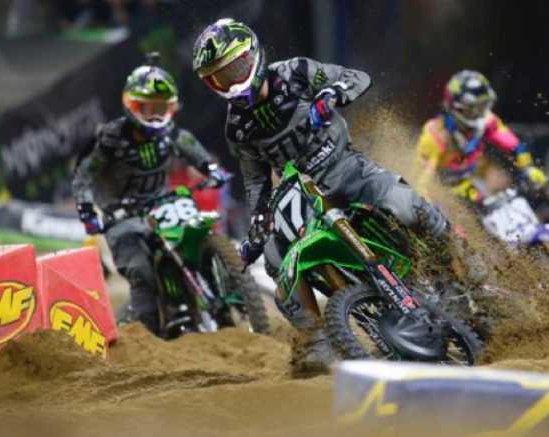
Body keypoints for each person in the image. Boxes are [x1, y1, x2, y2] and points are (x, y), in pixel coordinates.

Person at [192, 18, 476, 372]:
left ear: (253, 56)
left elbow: (357, 77)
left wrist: (332, 94)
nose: (231, 83)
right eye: (219, 78)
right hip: (300, 193)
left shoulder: (295, 73)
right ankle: (316, 344)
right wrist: (259, 224)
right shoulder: (237, 126)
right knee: (276, 259)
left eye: (234, 69)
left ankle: (462, 260)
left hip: (345, 167)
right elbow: (255, 181)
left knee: (406, 205)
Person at [72, 54, 228, 334]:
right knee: (142, 271)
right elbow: (83, 174)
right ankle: (146, 335)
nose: (154, 115)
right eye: (146, 107)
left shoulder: (170, 133)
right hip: (122, 217)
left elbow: (187, 143)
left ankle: (227, 293)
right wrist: (86, 212)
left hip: (163, 203)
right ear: (130, 105)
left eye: (160, 107)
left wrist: (210, 168)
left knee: (196, 234)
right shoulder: (109, 138)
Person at [414, 70, 546, 205]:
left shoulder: (489, 122)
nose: (480, 114)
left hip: (467, 188)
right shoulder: (434, 135)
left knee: (492, 207)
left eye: (483, 106)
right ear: (456, 107)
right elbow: (420, 183)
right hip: (438, 195)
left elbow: (514, 146)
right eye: (473, 108)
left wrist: (528, 168)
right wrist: (427, 205)